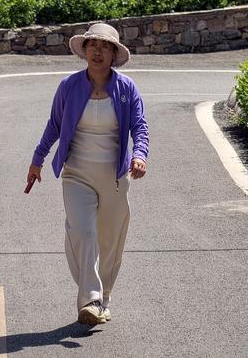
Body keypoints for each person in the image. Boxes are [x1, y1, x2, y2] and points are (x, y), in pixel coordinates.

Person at [26, 22, 149, 327]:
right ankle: (90, 299)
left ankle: (103, 297)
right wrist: (37, 160)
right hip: (76, 172)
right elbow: (54, 125)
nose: (98, 51)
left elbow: (140, 126)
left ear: (114, 54)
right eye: (93, 44)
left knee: (109, 239)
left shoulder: (126, 88)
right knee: (83, 232)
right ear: (84, 50)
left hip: (114, 177)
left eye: (105, 47)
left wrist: (139, 155)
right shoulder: (68, 86)